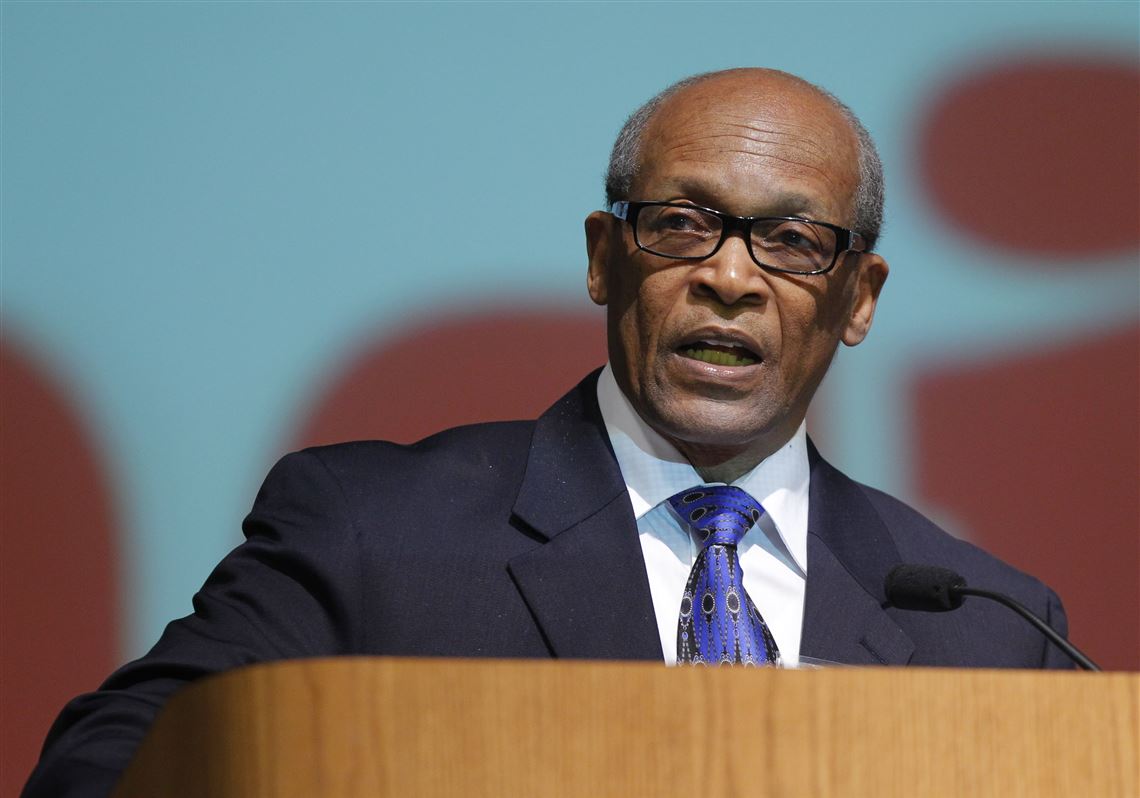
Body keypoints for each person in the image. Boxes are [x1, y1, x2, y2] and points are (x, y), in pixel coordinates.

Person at [22, 67, 1073, 798]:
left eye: (793, 240)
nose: (730, 275)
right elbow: (106, 767)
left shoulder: (995, 632)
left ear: (859, 297)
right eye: (681, 223)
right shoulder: (372, 534)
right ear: (604, 259)